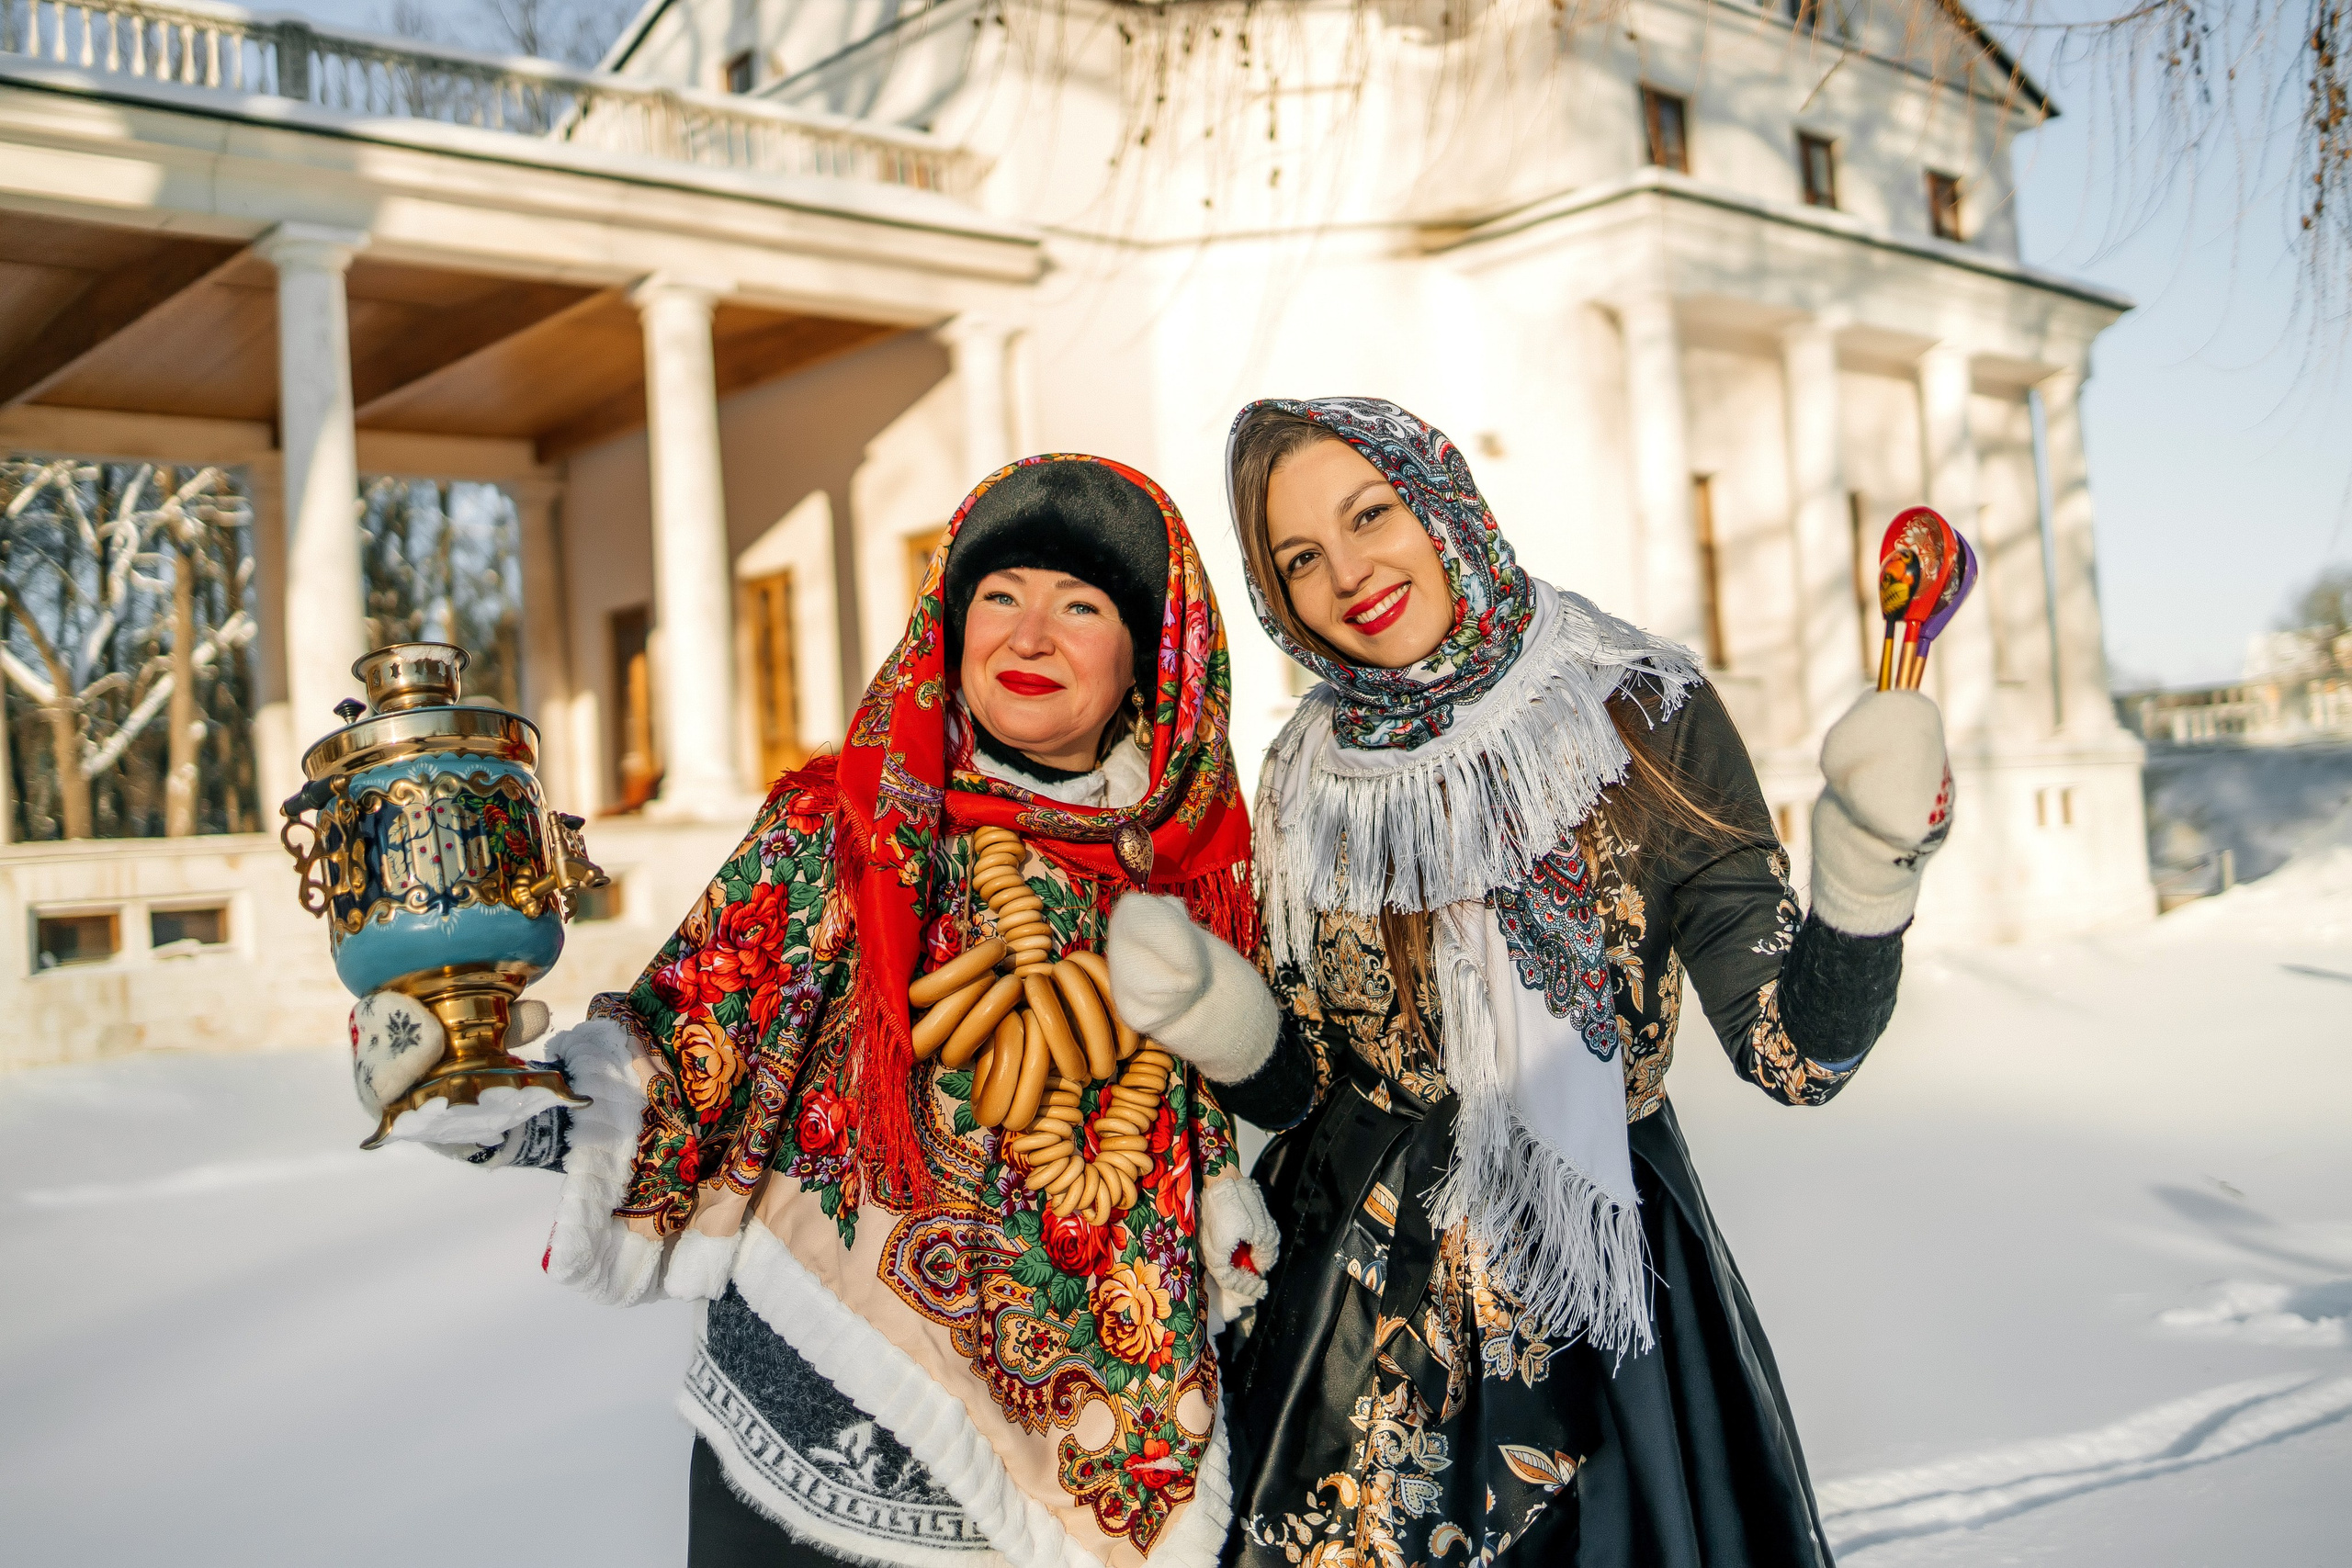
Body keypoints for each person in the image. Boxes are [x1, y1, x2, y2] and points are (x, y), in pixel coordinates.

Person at [364, 455, 1287, 1568]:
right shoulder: (835, 830)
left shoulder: (1205, 875)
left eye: (1080, 607)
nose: (1029, 634)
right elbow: (673, 1064)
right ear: (948, 625)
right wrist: (479, 1086)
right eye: (998, 596)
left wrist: (1227, 1024)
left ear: (1143, 659)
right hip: (798, 1465)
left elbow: (1278, 1116)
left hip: (1047, 1505)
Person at [1133, 398, 1951, 1567]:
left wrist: (1866, 880)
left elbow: (1792, 1055)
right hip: (1347, 1318)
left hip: (1599, 1293)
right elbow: (1304, 1079)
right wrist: (1227, 1027)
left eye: (1373, 513)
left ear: (1445, 503)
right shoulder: (1306, 770)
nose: (1348, 573)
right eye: (1300, 558)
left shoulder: (1635, 706)